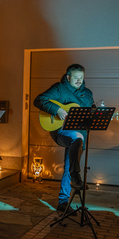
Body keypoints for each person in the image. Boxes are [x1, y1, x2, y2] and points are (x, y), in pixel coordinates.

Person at [34, 64, 94, 214]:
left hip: (79, 135)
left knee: (70, 165)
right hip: (61, 131)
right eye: (76, 78)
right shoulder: (59, 88)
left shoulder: (87, 93)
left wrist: (95, 113)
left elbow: (90, 110)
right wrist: (57, 109)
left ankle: (63, 202)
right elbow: (39, 100)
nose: (79, 80)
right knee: (76, 138)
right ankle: (76, 177)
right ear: (68, 77)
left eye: (81, 77)